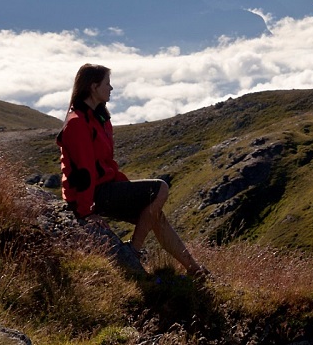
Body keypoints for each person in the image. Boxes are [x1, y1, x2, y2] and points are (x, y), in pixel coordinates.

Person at [57, 63, 207, 278]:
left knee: (156, 216)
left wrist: (125, 188)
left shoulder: (100, 119)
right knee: (160, 188)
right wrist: (86, 212)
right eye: (107, 83)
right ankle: (133, 250)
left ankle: (194, 268)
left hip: (104, 189)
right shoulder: (77, 122)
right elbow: (83, 172)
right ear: (93, 86)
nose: (111, 88)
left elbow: (105, 164)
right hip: (90, 195)